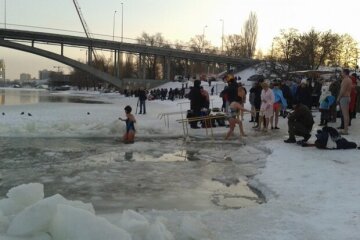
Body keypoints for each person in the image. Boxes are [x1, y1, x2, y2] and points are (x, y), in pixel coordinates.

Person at [337, 69, 353, 135]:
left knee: (345, 114)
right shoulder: (349, 79)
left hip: (344, 98)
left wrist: (338, 98)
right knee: (346, 114)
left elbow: (342, 91)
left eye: (342, 73)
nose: (341, 74)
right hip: (347, 97)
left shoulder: (345, 80)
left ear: (345, 73)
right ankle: (345, 129)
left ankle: (345, 130)